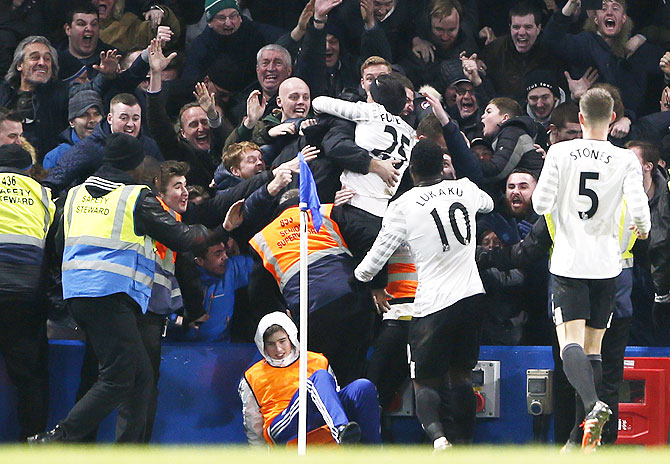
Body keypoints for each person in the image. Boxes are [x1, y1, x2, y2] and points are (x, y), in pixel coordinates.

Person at [27, 132, 235, 444]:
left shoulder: (73, 195)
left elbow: (56, 245)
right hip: (111, 294)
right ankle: (57, 439)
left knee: (137, 377)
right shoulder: (135, 196)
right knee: (120, 376)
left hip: (77, 296)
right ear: (134, 166)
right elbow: (180, 237)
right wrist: (222, 229)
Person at [532, 87, 651, 452]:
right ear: (612, 118)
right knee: (594, 350)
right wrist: (642, 230)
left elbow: (539, 204)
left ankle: (591, 405)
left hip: (569, 262)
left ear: (580, 119)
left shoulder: (560, 152)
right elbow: (640, 210)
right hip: (607, 266)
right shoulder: (626, 159)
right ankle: (579, 438)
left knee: (570, 343)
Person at [354, 139, 494, 449]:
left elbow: (375, 260)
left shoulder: (403, 205)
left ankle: (438, 438)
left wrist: (359, 276)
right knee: (461, 377)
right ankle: (464, 443)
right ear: (441, 167)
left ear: (411, 169)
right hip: (472, 297)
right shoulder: (466, 189)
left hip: (433, 305)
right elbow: (489, 203)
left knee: (424, 380)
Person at [238, 311, 381, 445]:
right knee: (319, 377)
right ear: (262, 345)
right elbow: (252, 424)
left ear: (291, 338)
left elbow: (333, 398)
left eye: (282, 341)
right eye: (271, 344)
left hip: (317, 418)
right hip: (281, 426)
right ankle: (340, 428)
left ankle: (371, 452)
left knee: (363, 387)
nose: (278, 349)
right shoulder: (253, 375)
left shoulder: (317, 360)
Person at [0, 143, 55, 441]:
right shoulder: (43, 196)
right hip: (24, 296)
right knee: (31, 376)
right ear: (27, 170)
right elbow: (52, 245)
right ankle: (31, 444)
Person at [43, 89, 103, 169]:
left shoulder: (113, 151)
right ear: (71, 122)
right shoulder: (54, 157)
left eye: (97, 114)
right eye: (84, 115)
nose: (92, 120)